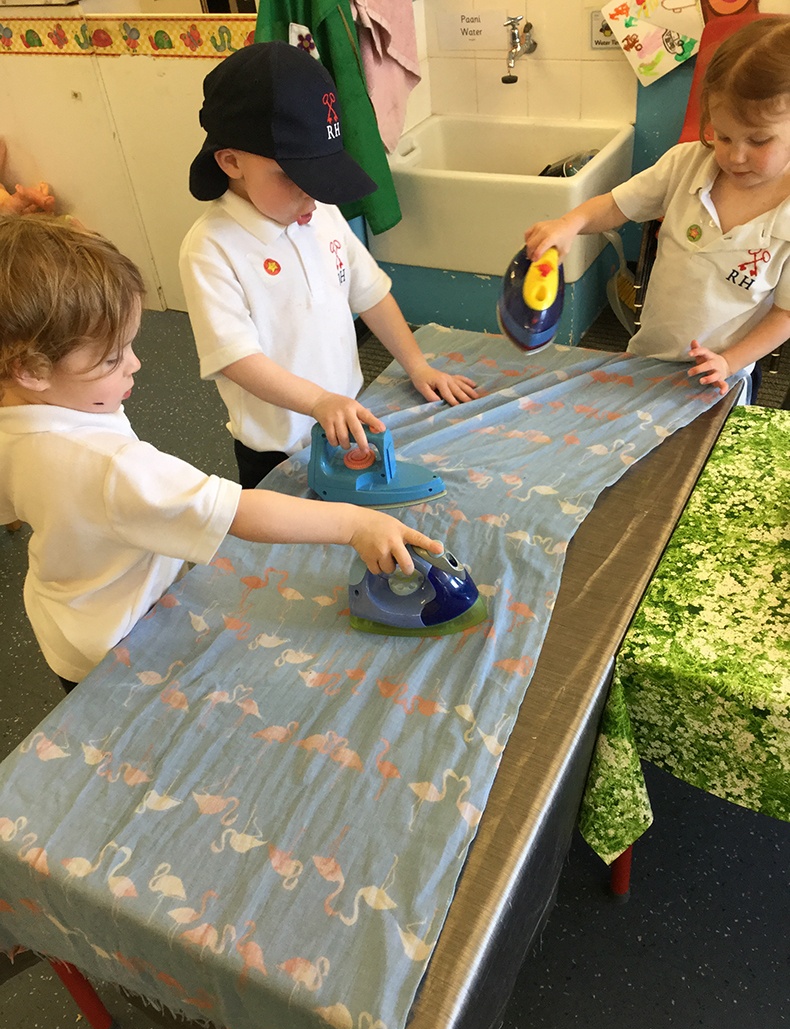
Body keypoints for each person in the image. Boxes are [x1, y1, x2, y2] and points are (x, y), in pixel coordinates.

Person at [0, 215, 442, 691]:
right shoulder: (111, 466)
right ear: (32, 370)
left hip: (65, 615)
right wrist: (356, 525)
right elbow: (237, 511)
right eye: (112, 359)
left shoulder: (16, 414)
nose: (136, 363)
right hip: (120, 637)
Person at [179, 40, 478, 490]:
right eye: (292, 178)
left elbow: (370, 293)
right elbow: (237, 358)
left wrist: (417, 366)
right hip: (276, 447)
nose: (311, 196)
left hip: (346, 413)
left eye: (319, 177)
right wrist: (318, 401)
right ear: (231, 161)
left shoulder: (321, 213)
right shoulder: (210, 249)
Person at [524, 16, 790, 399]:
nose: (735, 156)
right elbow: (616, 206)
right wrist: (570, 222)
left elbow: (784, 315)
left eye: (759, 141)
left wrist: (729, 361)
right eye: (723, 136)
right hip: (648, 355)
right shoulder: (685, 164)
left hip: (722, 375)